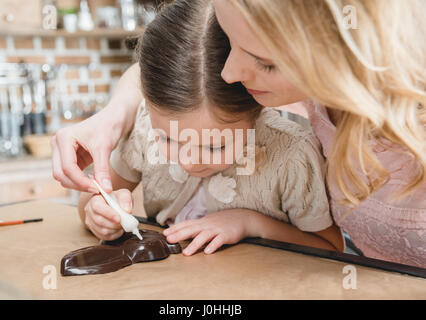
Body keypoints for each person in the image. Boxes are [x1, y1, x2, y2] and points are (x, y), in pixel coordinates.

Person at [52, 0, 425, 267]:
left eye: (264, 62)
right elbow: (175, 68)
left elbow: (328, 247)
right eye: (231, 42)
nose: (230, 73)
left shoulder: (290, 149)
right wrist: (116, 115)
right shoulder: (166, 116)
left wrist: (249, 223)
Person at [77, 0, 344, 256]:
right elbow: (88, 203)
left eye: (216, 145)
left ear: (257, 109)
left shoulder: (292, 154)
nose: (189, 161)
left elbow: (331, 247)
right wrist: (99, 213)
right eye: (169, 139)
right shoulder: (144, 127)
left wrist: (251, 224)